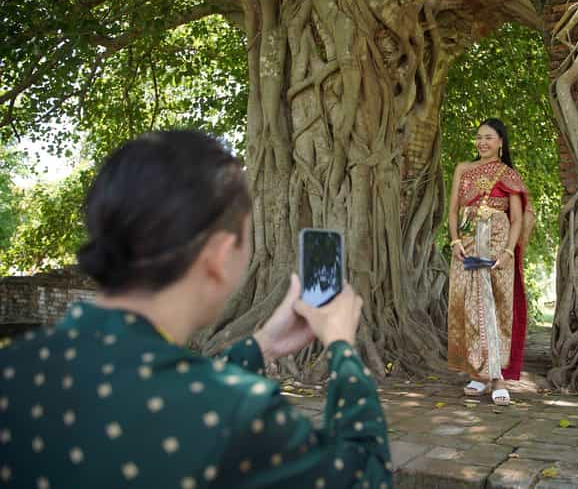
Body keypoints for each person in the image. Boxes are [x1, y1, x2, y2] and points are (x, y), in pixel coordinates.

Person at [0, 130, 392, 488]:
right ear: (220, 257)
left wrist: (262, 345)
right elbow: (366, 477)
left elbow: (159, 392)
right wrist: (342, 348)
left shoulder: (13, 370)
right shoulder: (240, 411)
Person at [446, 118, 535, 406]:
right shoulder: (463, 169)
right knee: (469, 307)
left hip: (497, 245)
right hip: (468, 243)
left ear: (500, 142)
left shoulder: (508, 174)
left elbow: (518, 218)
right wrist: (456, 241)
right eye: (478, 137)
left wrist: (508, 252)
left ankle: (497, 377)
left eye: (489, 137)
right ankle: (478, 373)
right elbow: (453, 212)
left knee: (496, 308)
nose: (482, 142)